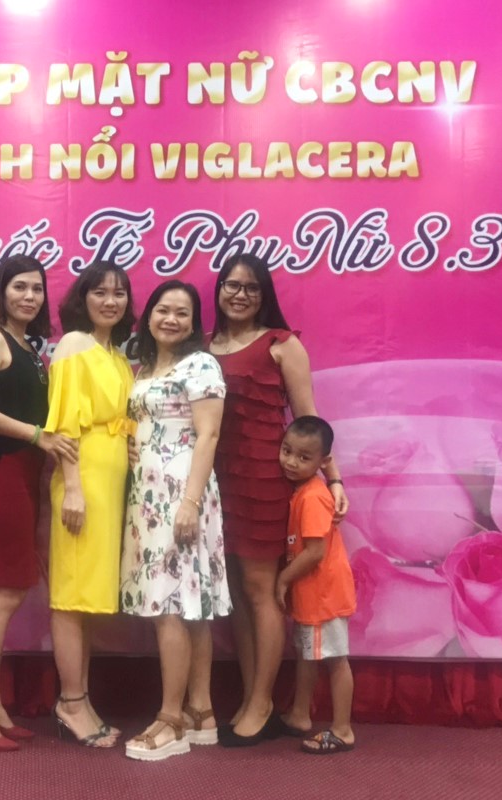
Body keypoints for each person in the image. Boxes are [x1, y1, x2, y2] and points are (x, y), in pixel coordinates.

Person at [206, 254, 349, 747]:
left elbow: (310, 423)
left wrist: (334, 479)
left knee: (261, 592)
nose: (240, 294)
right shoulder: (204, 348)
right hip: (216, 483)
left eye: (251, 287)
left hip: (264, 481)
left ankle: (263, 703)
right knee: (238, 596)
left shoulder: (283, 345)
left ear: (264, 295)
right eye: (232, 285)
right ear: (219, 290)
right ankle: (252, 697)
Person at [0, 255, 79, 752]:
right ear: (1, 291)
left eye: (36, 289)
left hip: (24, 476)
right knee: (3, 592)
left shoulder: (30, 347)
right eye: (19, 287)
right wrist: (35, 435)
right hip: (0, 474)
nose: (29, 296)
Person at [120, 280, 232, 762]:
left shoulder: (201, 364)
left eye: (182, 313)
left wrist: (189, 502)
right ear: (148, 316)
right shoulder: (145, 368)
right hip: (147, 494)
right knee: (190, 606)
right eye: (163, 310)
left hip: (180, 493)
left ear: (193, 323)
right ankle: (200, 711)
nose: (171, 319)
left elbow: (208, 436)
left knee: (170, 603)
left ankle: (170, 721)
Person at [45, 260, 135, 748]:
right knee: (71, 594)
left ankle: (81, 698)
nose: (110, 301)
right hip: (83, 480)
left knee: (89, 596)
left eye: (119, 293)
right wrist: (73, 487)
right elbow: (64, 424)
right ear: (83, 299)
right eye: (100, 292)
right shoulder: (74, 345)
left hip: (110, 481)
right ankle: (71, 702)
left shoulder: (116, 354)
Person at [274, 416, 357, 755]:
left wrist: (283, 579)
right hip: (312, 595)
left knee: (335, 659)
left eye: (304, 457)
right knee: (307, 656)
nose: (291, 462)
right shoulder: (302, 491)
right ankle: (299, 714)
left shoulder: (312, 496)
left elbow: (315, 551)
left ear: (324, 462)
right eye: (286, 451)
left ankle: (342, 730)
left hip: (324, 596)